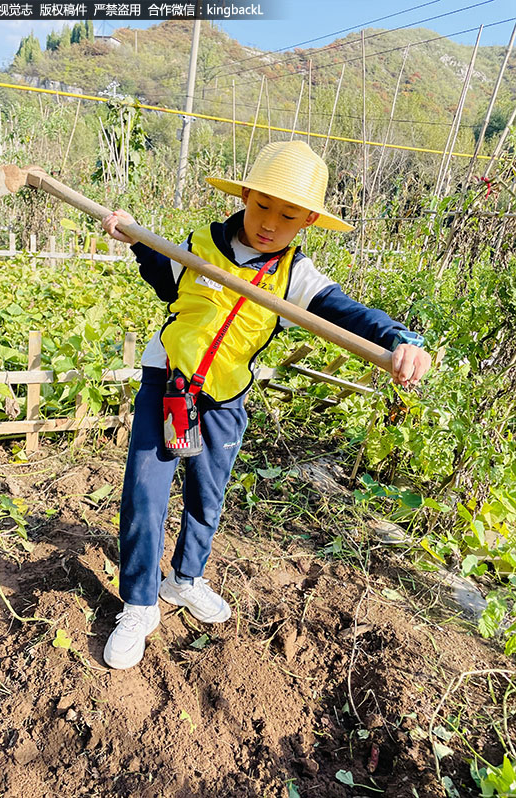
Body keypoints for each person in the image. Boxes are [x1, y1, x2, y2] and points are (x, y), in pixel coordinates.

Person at [101, 140, 431, 669]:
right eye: (262, 207)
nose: (270, 224)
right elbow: (164, 279)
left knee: (207, 498)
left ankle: (185, 580)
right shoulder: (198, 247)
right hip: (169, 381)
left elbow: (350, 313)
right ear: (246, 196)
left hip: (227, 395)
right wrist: (134, 236)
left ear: (307, 223)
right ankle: (139, 604)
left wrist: (400, 339)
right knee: (145, 492)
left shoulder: (296, 278)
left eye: (288, 215)